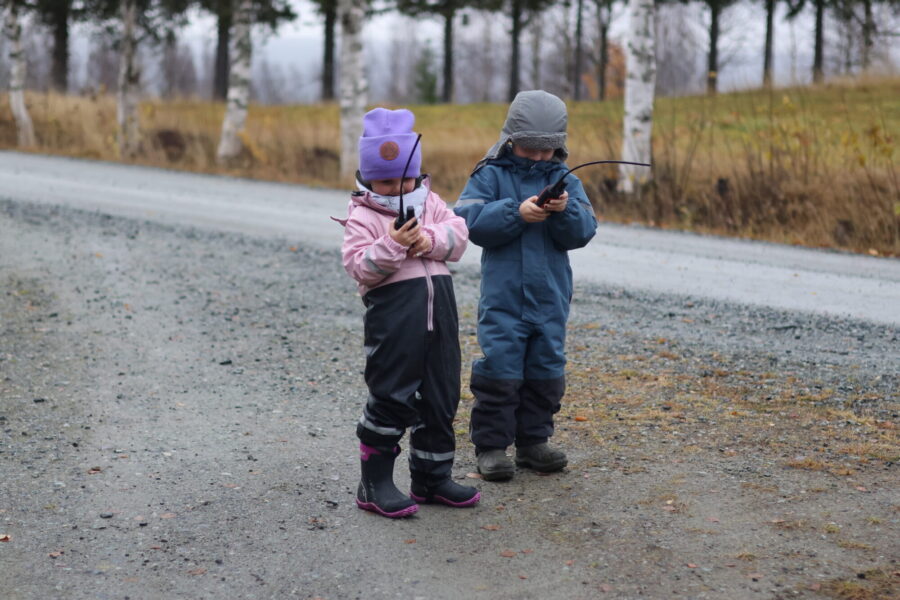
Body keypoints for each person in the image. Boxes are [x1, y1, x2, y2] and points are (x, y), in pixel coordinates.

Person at [337, 107, 480, 518]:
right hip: (394, 321)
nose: (396, 188)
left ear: (416, 175)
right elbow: (359, 266)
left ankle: (432, 477)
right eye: (385, 181)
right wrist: (394, 245)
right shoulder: (363, 215)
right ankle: (374, 483)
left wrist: (428, 239)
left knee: (441, 396)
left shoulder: (430, 202)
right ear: (368, 178)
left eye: (404, 179)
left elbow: (459, 236)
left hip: (441, 317)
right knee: (392, 396)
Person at [453, 90, 598, 481]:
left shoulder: (565, 179)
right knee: (500, 368)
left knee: (546, 368)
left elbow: (585, 230)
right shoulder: (489, 174)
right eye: (529, 148)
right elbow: (467, 221)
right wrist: (515, 213)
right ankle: (491, 447)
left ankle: (534, 442)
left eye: (546, 150)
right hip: (504, 298)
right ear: (510, 139)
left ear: (558, 147)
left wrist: (564, 210)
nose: (537, 157)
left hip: (551, 298)